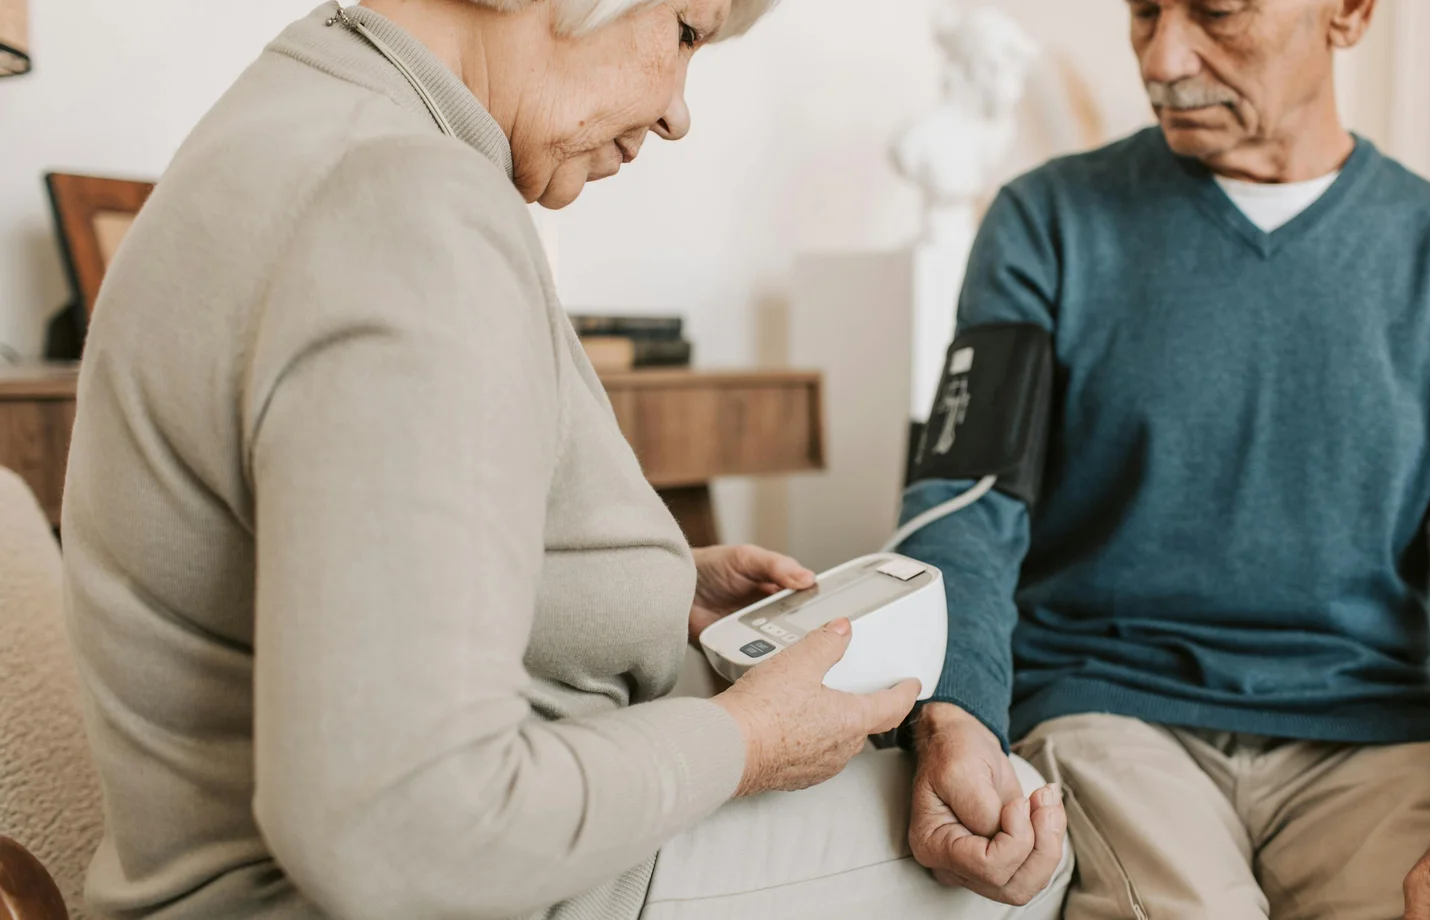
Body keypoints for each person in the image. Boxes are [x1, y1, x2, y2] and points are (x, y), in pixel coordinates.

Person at [59, 2, 1073, 919]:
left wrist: (637, 587)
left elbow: (336, 557)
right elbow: (395, 824)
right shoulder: (407, 209)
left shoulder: (306, 116)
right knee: (1025, 848)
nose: (680, 113)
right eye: (685, 29)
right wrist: (747, 741)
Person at [897, 2, 1430, 919]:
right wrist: (954, 711)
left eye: (1218, 13)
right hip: (1111, 709)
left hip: (1373, 733)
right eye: (1144, 11)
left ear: (1348, 14)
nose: (1163, 57)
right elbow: (966, 501)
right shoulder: (1045, 222)